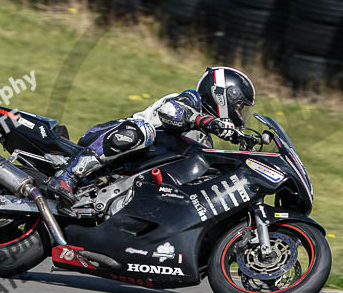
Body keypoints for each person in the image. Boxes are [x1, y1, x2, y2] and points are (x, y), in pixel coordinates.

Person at [49, 66, 256, 204]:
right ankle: (69, 175)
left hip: (129, 175)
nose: (239, 115)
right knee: (143, 130)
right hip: (107, 138)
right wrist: (205, 120)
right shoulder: (190, 100)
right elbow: (170, 111)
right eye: (239, 107)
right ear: (222, 96)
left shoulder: (203, 141)